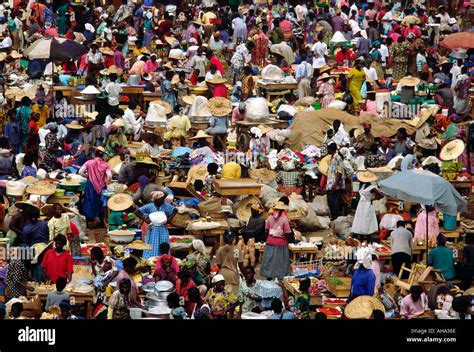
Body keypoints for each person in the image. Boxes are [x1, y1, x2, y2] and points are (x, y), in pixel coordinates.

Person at [135, 191, 177, 258]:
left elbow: (175, 210)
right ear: (155, 199)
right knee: (152, 243)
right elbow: (137, 212)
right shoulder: (149, 206)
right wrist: (146, 220)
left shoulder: (165, 205)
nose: (162, 200)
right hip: (153, 229)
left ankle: (164, 258)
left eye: (163, 198)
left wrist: (168, 220)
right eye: (161, 199)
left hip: (163, 229)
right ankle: (150, 258)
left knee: (163, 243)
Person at [78, 147, 112, 222]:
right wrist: (107, 183)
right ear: (102, 156)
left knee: (89, 201)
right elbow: (109, 176)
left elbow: (80, 172)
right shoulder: (106, 164)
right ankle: (100, 218)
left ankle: (89, 219)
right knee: (100, 202)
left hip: (91, 185)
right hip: (102, 187)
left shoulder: (89, 162)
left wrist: (87, 176)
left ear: (95, 153)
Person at [260, 202, 291, 280]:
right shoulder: (284, 220)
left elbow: (266, 230)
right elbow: (287, 233)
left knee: (270, 260)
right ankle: (280, 277)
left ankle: (269, 276)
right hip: (281, 244)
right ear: (281, 211)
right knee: (279, 262)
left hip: (270, 243)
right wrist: (289, 240)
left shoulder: (269, 218)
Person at [216, 231, 244, 295]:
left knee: (223, 297)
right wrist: (245, 276)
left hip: (222, 275)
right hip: (233, 276)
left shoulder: (220, 249)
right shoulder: (237, 250)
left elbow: (218, 264)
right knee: (233, 298)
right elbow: (240, 265)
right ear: (234, 239)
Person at [325, 143, 344, 220]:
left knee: (334, 201)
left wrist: (335, 184)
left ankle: (336, 217)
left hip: (334, 183)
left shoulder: (338, 158)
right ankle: (334, 216)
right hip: (330, 182)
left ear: (332, 149)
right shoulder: (331, 158)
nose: (327, 151)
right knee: (330, 201)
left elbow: (339, 171)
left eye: (328, 149)